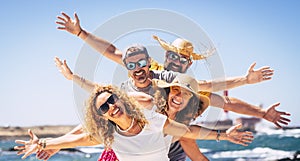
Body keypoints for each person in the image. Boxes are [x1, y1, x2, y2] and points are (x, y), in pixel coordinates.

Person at [55, 12, 290, 160]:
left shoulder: (188, 86)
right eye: (173, 56)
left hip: (169, 150)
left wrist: (259, 109)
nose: (176, 62)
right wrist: (81, 33)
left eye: (183, 59)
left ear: (189, 64)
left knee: (185, 137)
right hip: (136, 145)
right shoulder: (149, 70)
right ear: (166, 56)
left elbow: (224, 98)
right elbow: (113, 53)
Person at [15, 84, 254, 161]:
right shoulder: (108, 136)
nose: (111, 107)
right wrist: (44, 144)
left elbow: (189, 131)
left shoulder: (153, 120)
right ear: (103, 116)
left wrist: (223, 136)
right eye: (104, 108)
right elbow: (76, 138)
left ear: (121, 98)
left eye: (111, 100)